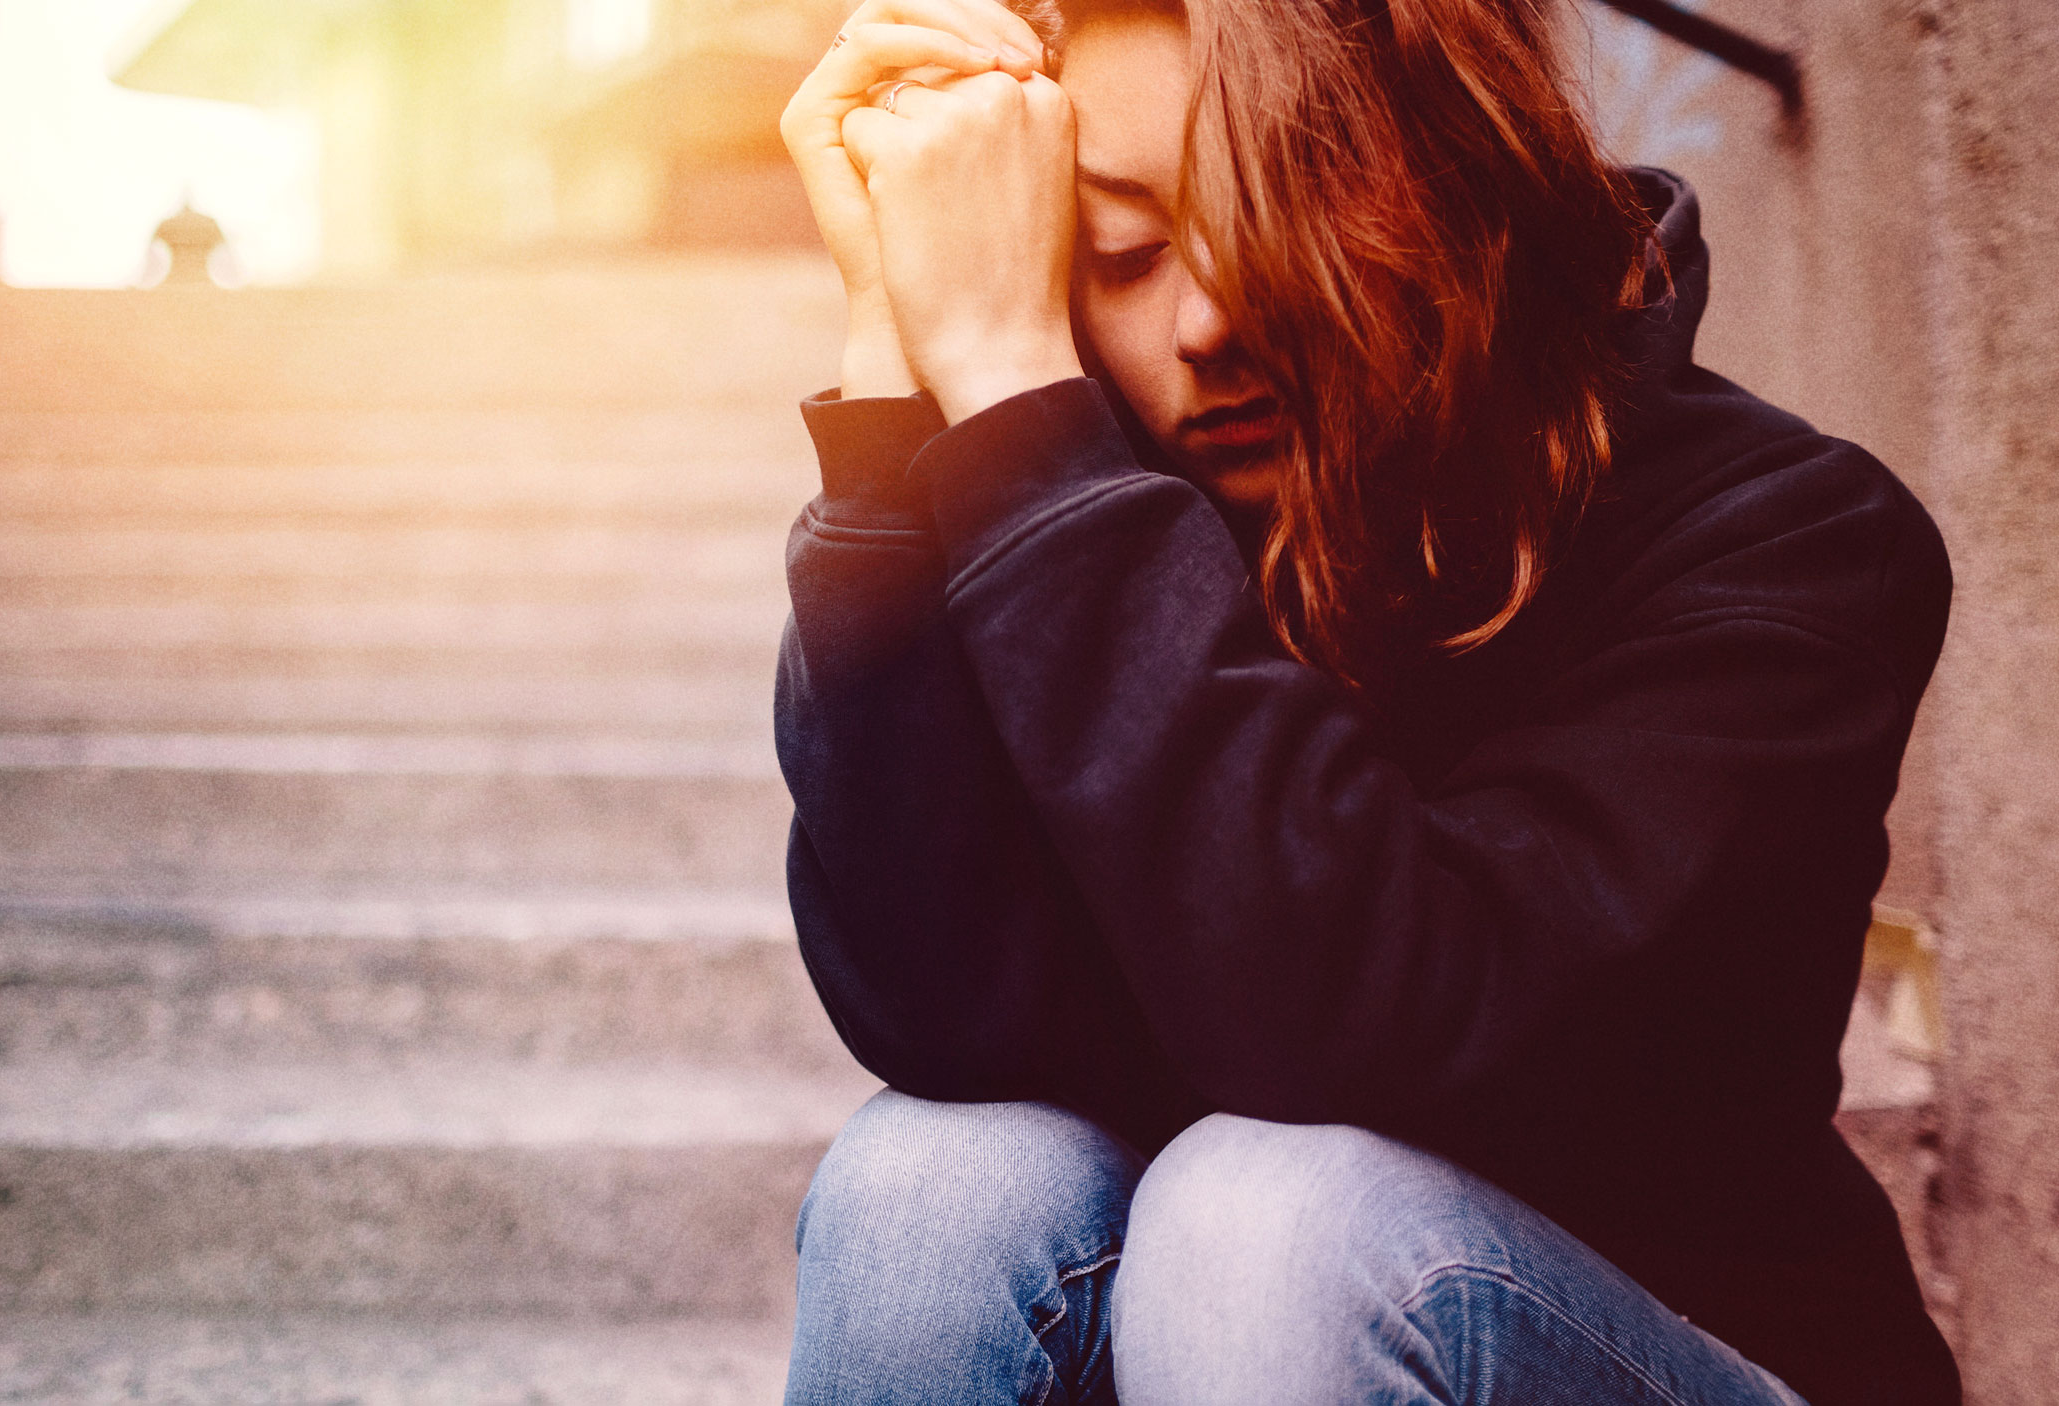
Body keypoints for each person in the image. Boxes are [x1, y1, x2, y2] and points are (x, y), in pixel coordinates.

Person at [770, 0, 1963, 1401]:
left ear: (1469, 183)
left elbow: (1369, 1022)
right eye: (1121, 254)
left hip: (1671, 1343)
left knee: (1268, 1219)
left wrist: (1026, 420)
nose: (1206, 321)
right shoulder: (1093, 520)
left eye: (1285, 222)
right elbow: (942, 1017)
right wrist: (899, 366)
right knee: (935, 1180)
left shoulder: (1787, 540)